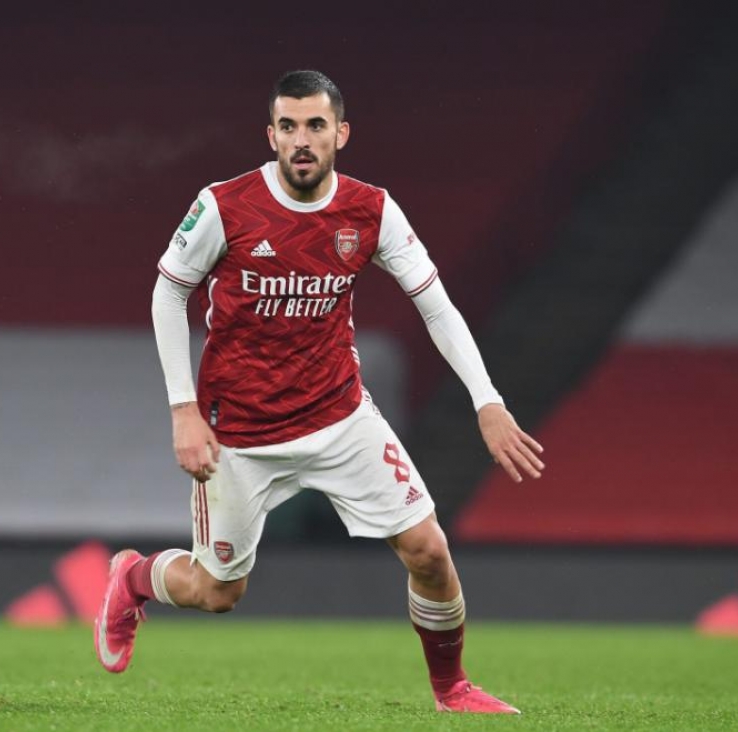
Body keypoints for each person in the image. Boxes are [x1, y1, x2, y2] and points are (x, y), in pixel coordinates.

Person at [94, 70, 545, 714]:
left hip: (340, 416)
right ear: (271, 135)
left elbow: (436, 306)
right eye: (288, 126)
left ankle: (452, 689)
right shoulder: (225, 206)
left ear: (341, 133)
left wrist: (487, 399)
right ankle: (133, 578)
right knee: (218, 592)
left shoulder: (371, 210)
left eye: (315, 125)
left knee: (429, 550)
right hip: (239, 432)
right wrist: (183, 411)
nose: (301, 140)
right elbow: (169, 293)